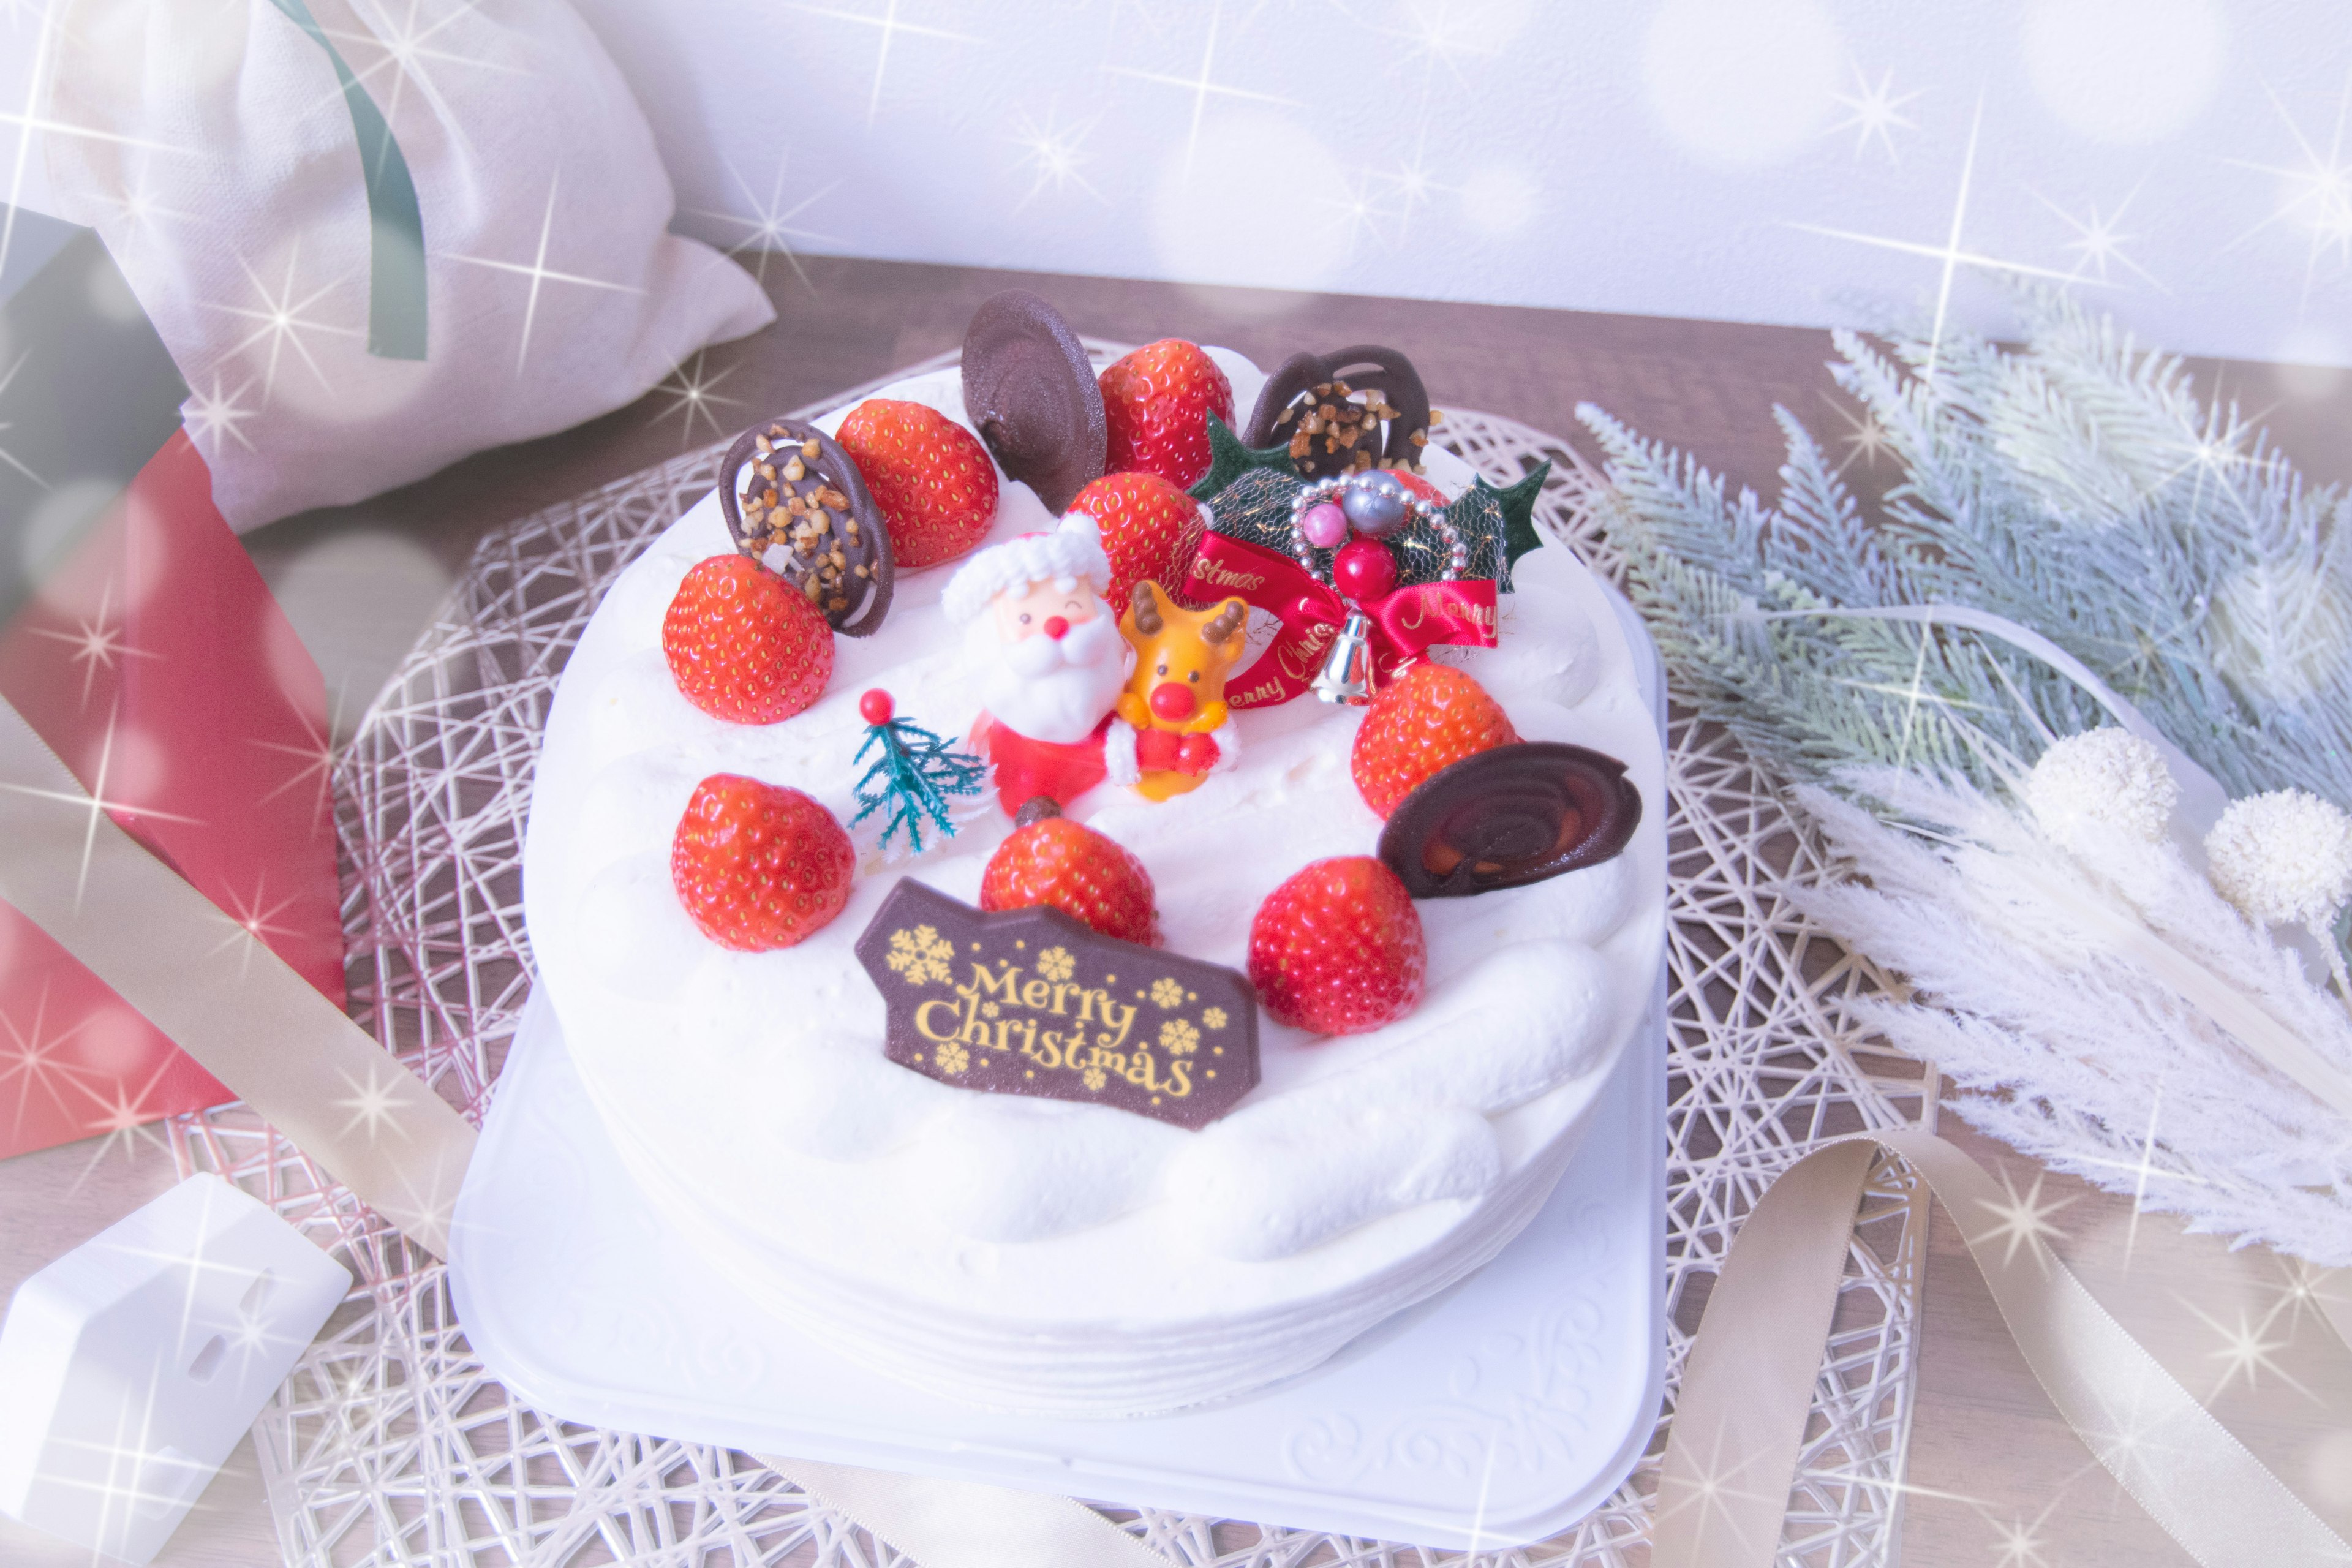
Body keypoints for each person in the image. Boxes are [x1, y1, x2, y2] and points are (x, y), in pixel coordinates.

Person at [941, 514, 1131, 816]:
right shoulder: (1008, 690)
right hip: (1028, 767)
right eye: (1026, 619)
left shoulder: (1109, 666)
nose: (1056, 627)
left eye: (1072, 607)